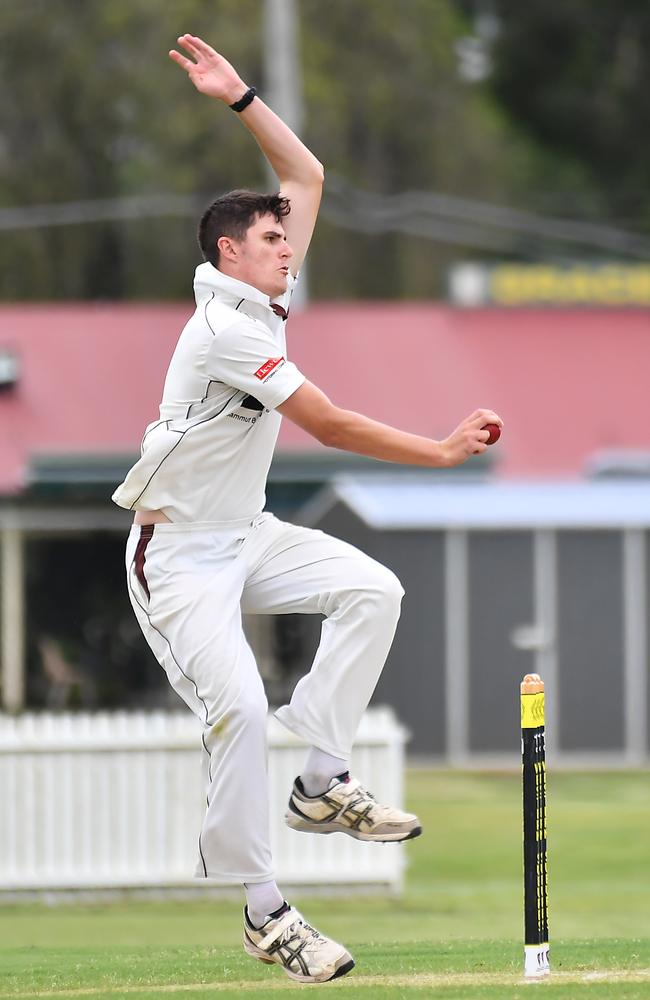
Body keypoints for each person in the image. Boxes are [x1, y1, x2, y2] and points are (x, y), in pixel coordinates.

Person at [112, 33, 503, 985]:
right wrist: (441, 450)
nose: (291, 248)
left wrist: (239, 95)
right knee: (240, 707)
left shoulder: (263, 302)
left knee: (374, 590)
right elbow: (326, 424)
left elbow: (307, 172)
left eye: (289, 238)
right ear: (227, 254)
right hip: (177, 559)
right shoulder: (223, 331)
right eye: (273, 241)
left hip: (245, 535)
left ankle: (322, 785)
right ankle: (265, 912)